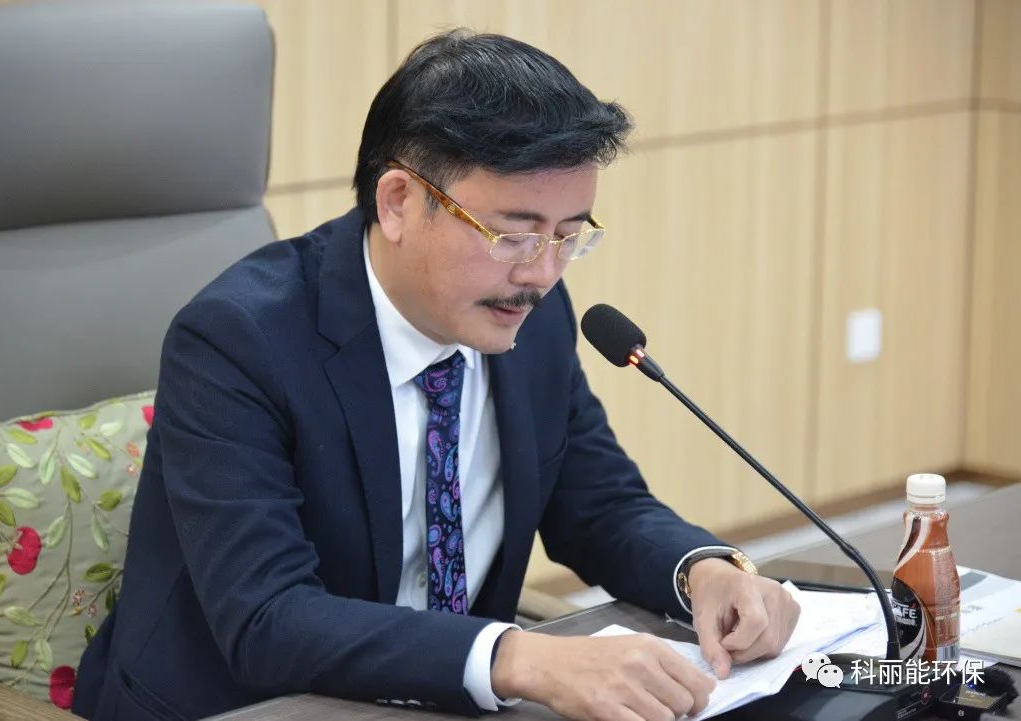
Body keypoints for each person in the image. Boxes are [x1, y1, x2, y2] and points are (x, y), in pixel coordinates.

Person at [73, 29, 800, 721]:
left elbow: (599, 505)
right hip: (251, 705)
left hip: (446, 698)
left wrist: (702, 571)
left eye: (568, 234)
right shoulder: (237, 340)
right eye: (511, 234)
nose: (541, 272)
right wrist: (515, 656)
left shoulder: (533, 316)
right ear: (398, 202)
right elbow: (267, 616)